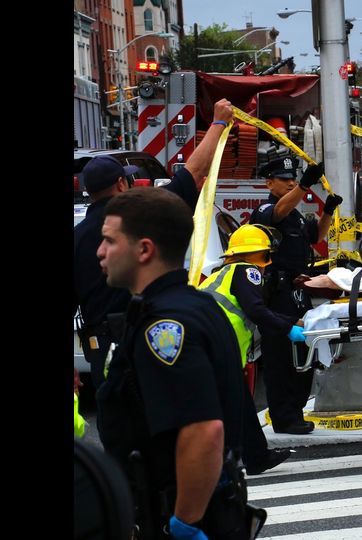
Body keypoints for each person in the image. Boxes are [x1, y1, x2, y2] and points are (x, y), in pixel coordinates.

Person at [95, 187, 249, 539]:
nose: (100, 252)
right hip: (209, 506)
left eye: (109, 241)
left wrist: (184, 523)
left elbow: (203, 429)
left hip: (174, 515)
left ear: (144, 249)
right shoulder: (196, 306)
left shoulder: (165, 327)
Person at [74, 98, 235, 392]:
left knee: (119, 425)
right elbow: (194, 172)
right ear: (122, 185)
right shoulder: (144, 216)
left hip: (101, 348)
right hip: (150, 338)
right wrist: (218, 123)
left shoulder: (78, 236)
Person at [199, 224, 306, 474]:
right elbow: (255, 309)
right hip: (219, 347)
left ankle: (256, 456)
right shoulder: (248, 271)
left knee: (239, 404)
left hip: (209, 343)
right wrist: (288, 328)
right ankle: (238, 459)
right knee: (227, 406)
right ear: (260, 253)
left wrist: (289, 321)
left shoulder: (219, 273)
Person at [249, 157, 343, 434]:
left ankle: (297, 412)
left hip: (298, 292)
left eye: (293, 178)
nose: (290, 182)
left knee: (302, 353)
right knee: (280, 358)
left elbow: (315, 237)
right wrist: (303, 185)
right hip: (277, 294)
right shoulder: (267, 209)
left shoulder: (296, 214)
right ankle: (284, 418)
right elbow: (277, 212)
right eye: (284, 179)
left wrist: (328, 211)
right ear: (269, 183)